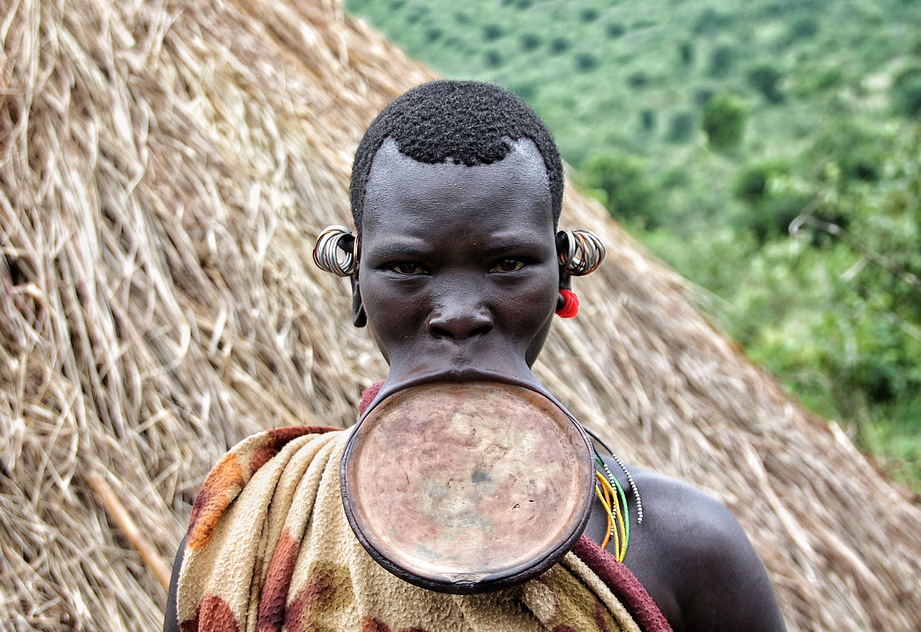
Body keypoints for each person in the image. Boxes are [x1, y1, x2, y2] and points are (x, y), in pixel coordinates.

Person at [164, 80, 786, 632]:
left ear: (563, 274)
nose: (459, 312)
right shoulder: (253, 519)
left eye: (508, 264)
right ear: (357, 282)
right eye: (407, 268)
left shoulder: (686, 549)